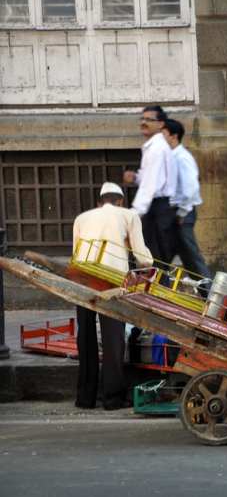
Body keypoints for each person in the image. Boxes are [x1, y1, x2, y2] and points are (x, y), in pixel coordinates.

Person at [72, 182, 153, 410]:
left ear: (99, 203)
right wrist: (148, 264)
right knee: (113, 338)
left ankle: (85, 398)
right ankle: (112, 398)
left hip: (82, 276)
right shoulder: (129, 216)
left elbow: (76, 251)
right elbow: (142, 258)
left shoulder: (82, 218)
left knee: (86, 336)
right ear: (121, 201)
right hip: (111, 279)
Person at [123, 105, 178, 266]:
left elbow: (150, 185)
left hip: (158, 205)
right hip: (157, 205)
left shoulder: (157, 149)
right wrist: (136, 177)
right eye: (142, 118)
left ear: (161, 124)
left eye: (149, 119)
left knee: (154, 254)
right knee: (154, 253)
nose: (144, 122)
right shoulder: (152, 147)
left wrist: (135, 213)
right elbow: (149, 177)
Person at [163, 118, 212, 280]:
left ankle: (208, 290)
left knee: (191, 257)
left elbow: (190, 188)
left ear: (174, 136)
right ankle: (155, 286)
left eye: (163, 134)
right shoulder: (170, 157)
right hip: (173, 213)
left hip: (181, 213)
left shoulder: (182, 158)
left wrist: (181, 213)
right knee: (163, 255)